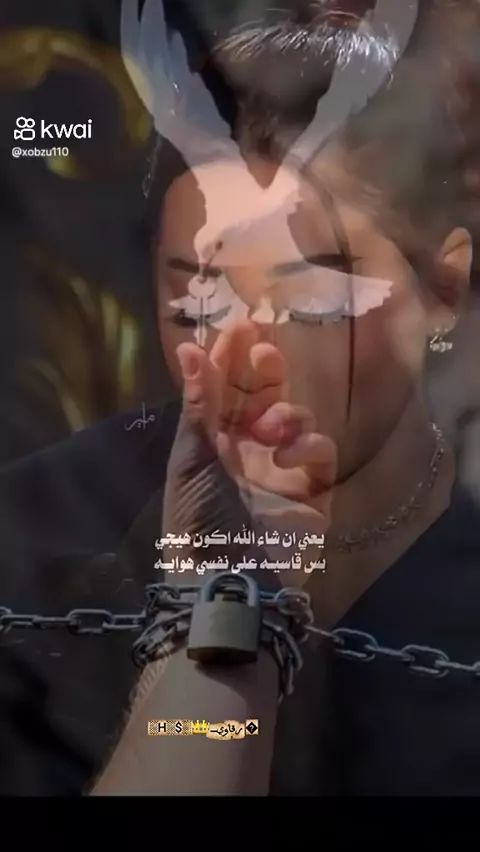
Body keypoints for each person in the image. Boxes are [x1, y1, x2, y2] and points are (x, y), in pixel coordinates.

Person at [1, 0, 480, 795]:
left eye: (311, 301)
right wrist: (220, 610)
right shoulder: (37, 542)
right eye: (198, 303)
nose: (243, 351)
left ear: (445, 289)